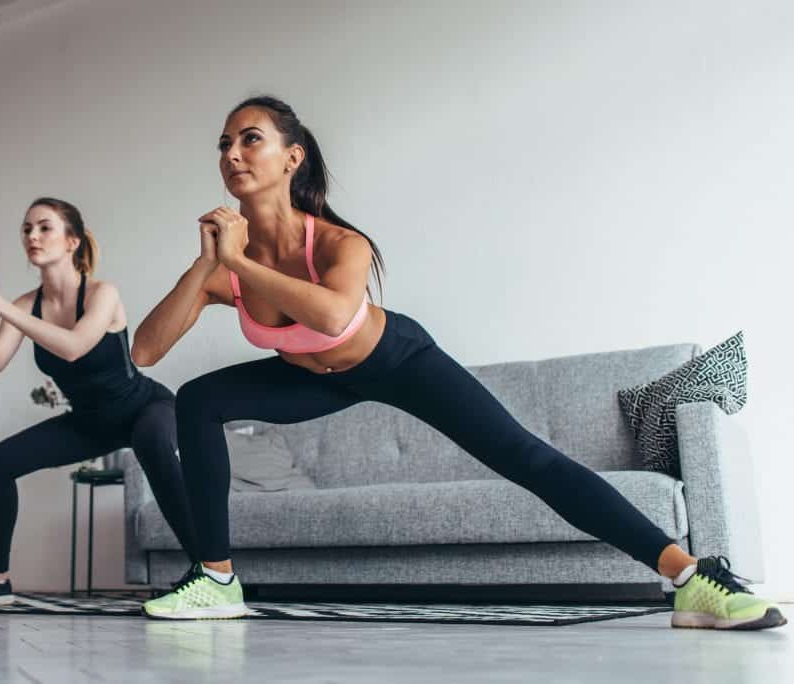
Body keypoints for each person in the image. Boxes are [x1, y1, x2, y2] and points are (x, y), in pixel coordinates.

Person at [132, 96, 785, 629]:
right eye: (223, 144)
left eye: (250, 139)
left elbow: (332, 317)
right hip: (317, 381)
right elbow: (146, 351)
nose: (232, 154)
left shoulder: (337, 242)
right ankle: (216, 580)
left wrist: (238, 262)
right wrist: (208, 264)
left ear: (290, 158)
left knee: (526, 459)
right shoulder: (227, 270)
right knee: (197, 398)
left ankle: (691, 578)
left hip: (395, 361)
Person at [0, 198, 198, 605]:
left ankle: (207, 571)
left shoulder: (101, 293)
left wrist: (1, 305)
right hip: (90, 422)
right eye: (26, 229)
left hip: (145, 408)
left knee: (150, 442)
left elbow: (75, 347)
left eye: (44, 227)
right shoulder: (27, 305)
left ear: (72, 240)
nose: (32, 237)